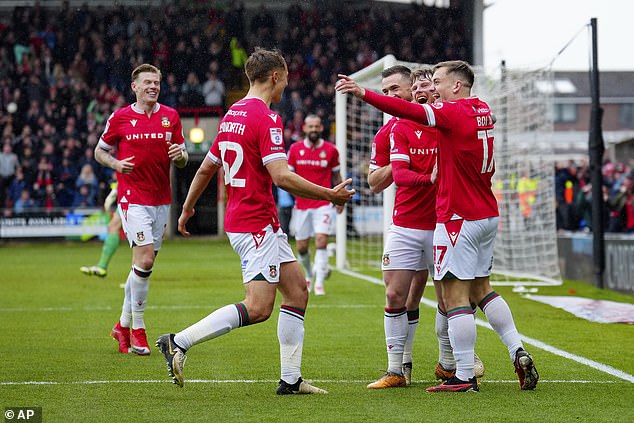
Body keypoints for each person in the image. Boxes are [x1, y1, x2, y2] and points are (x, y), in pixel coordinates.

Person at [156, 47, 354, 394]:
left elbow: (206, 167)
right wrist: (329, 194)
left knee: (297, 292)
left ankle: (291, 381)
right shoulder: (267, 118)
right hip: (254, 224)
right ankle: (178, 341)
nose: (286, 88)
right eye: (286, 80)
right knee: (260, 307)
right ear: (275, 77)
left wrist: (187, 208)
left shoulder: (231, 114)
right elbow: (281, 176)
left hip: (254, 221)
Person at [336, 60, 538, 392]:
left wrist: (364, 94)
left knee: (455, 298)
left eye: (438, 82)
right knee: (481, 289)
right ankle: (517, 351)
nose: (433, 87)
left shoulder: (449, 114)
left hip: (457, 218)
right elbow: (391, 173)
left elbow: (403, 109)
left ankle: (462, 373)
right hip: (484, 212)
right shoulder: (480, 109)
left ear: (454, 86)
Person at [94, 63, 188, 355]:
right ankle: (139, 329)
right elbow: (100, 151)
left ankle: (121, 326)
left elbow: (183, 157)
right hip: (132, 198)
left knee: (141, 268)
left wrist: (180, 155)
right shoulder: (120, 117)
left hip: (161, 200)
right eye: (147, 82)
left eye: (156, 82)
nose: (153, 87)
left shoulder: (170, 116)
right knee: (145, 262)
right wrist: (116, 164)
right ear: (134, 86)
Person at [287, 114, 343, 295]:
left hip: (323, 204)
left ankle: (319, 284)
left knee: (321, 240)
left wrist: (339, 197)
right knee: (302, 246)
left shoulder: (331, 150)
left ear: (321, 128)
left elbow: (336, 176)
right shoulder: (294, 150)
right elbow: (289, 177)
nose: (313, 129)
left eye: (316, 126)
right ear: (304, 128)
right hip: (301, 205)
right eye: (310, 126)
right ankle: (310, 274)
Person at [80, 180, 121, 277]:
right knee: (113, 226)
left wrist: (114, 191)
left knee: (144, 239)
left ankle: (138, 279)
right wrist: (115, 190)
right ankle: (102, 266)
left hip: (143, 196)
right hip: (132, 196)